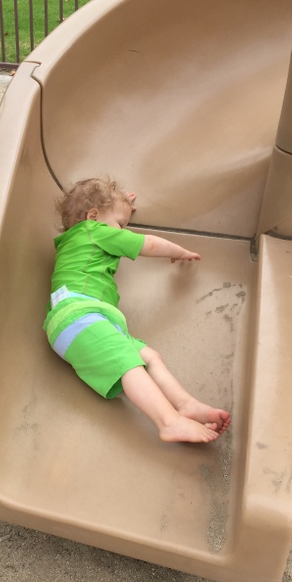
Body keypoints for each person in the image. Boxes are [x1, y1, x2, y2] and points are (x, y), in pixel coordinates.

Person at [43, 178, 231, 444]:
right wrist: (179, 251)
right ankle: (169, 421)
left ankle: (185, 404)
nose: (123, 231)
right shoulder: (92, 230)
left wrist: (120, 206)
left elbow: (107, 214)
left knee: (150, 357)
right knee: (129, 364)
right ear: (93, 216)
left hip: (87, 319)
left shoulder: (77, 239)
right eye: (121, 225)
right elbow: (147, 244)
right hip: (77, 317)